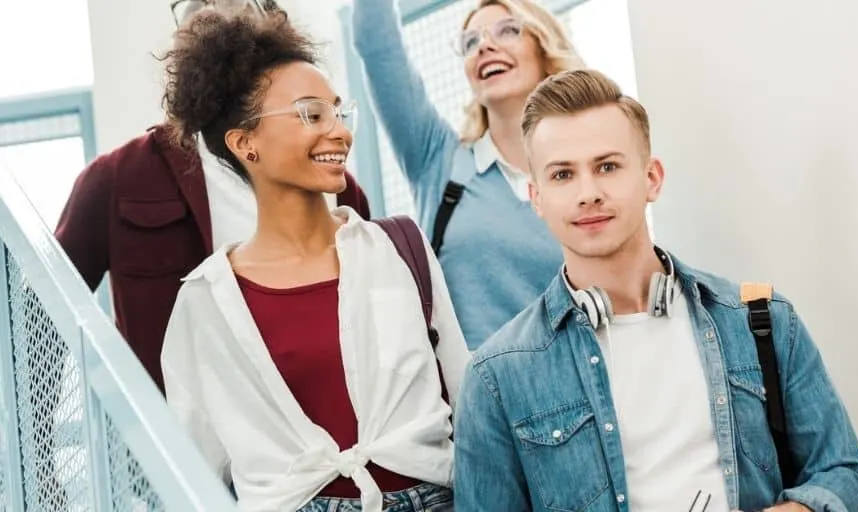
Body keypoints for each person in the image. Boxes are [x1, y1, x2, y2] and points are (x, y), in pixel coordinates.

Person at [453, 69, 858, 512]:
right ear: (537, 197)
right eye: (563, 175)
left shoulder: (761, 321)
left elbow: (846, 477)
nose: (589, 193)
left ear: (652, 178)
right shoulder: (496, 378)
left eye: (608, 166)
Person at [157, 9, 468, 512]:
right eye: (310, 114)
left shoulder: (401, 249)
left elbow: (467, 398)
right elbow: (197, 468)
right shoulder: (205, 302)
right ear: (244, 142)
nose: (339, 132)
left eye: (338, 113)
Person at [54, 0, 371, 393]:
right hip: (180, 448)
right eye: (191, 5)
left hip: (331, 434)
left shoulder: (338, 191)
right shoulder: (117, 178)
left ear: (270, 20)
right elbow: (40, 323)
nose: (208, 13)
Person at [352, 0, 584, 349]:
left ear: (543, 47)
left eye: (508, 30)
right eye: (471, 41)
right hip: (472, 399)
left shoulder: (584, 172)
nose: (486, 46)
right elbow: (376, 45)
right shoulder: (439, 160)